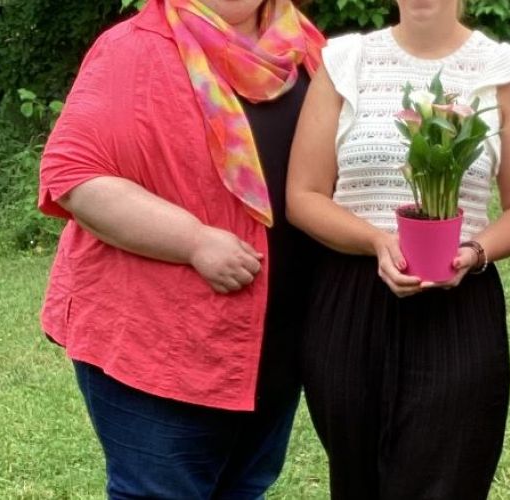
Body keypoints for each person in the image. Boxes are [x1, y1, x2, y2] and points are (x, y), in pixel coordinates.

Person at [36, 0, 324, 497]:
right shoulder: (133, 50)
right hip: (160, 346)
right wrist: (193, 241)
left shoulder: (303, 49)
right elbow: (76, 177)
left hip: (274, 348)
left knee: (243, 489)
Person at [285, 0, 510, 497]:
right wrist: (376, 241)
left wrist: (474, 251)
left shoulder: (505, 71)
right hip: (352, 303)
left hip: (457, 302)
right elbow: (303, 195)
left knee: (447, 479)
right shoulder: (344, 62)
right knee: (356, 482)